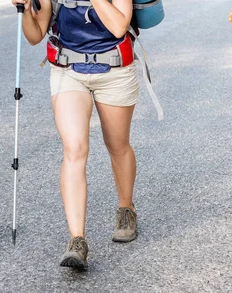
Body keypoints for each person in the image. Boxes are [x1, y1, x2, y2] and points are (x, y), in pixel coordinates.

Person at [11, 0, 140, 269]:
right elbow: (36, 35)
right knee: (74, 149)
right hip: (68, 70)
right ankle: (76, 240)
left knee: (117, 145)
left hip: (114, 68)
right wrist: (24, 10)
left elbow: (118, 27)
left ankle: (126, 209)